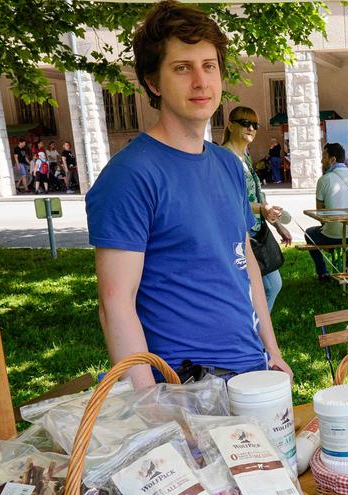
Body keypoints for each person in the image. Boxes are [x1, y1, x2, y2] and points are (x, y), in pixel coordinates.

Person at [86, 0, 291, 389]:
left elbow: (244, 258)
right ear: (152, 81)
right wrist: (152, 406)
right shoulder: (129, 176)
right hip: (184, 384)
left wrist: (273, 352)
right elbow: (115, 304)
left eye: (209, 66)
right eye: (182, 68)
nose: (201, 82)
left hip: (251, 372)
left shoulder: (229, 164)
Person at [221, 105, 292, 312]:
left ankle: (256, 334)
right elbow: (229, 201)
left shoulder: (245, 156)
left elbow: (258, 194)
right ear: (230, 125)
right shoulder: (225, 157)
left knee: (268, 286)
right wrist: (261, 209)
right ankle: (253, 334)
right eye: (245, 123)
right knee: (259, 288)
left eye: (254, 124)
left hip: (256, 231)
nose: (251, 128)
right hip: (239, 234)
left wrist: (277, 224)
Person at [304, 142, 348, 281]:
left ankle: (323, 272)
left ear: (332, 160)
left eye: (324, 157)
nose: (321, 161)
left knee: (309, 233)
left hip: (331, 234)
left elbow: (320, 215)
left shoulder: (324, 180)